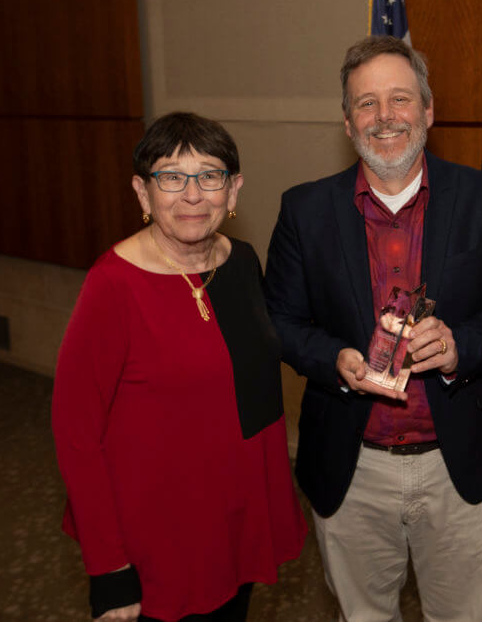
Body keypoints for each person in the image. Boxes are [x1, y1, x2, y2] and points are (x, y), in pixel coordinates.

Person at [264, 35, 482, 621]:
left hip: (456, 464)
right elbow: (280, 321)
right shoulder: (304, 210)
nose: (384, 117)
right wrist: (332, 358)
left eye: (400, 99)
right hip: (352, 466)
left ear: (428, 110)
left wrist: (461, 347)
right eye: (366, 103)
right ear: (347, 120)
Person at [52, 112, 306, 622]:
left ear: (232, 192)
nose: (193, 195)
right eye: (171, 177)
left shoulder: (242, 263)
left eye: (209, 175)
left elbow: (252, 398)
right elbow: (76, 433)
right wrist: (109, 567)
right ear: (143, 195)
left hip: (233, 526)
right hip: (155, 542)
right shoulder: (113, 285)